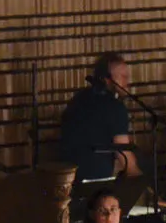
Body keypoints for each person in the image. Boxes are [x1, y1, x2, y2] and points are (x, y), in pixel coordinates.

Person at [58, 52, 138, 187]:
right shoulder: (115, 107)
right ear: (107, 79)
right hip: (95, 183)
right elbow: (123, 153)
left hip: (65, 180)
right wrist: (140, 181)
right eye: (123, 77)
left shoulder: (78, 98)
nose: (127, 82)